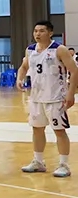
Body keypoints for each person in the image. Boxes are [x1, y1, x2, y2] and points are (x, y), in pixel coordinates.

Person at [18, 20, 78, 178]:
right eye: (35, 31)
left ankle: (64, 164)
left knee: (59, 131)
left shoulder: (59, 49)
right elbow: (24, 67)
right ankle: (38, 162)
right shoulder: (30, 50)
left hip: (56, 98)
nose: (37, 34)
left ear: (50, 33)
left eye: (41, 31)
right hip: (36, 98)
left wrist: (71, 93)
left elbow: (74, 71)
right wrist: (19, 79)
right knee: (37, 129)